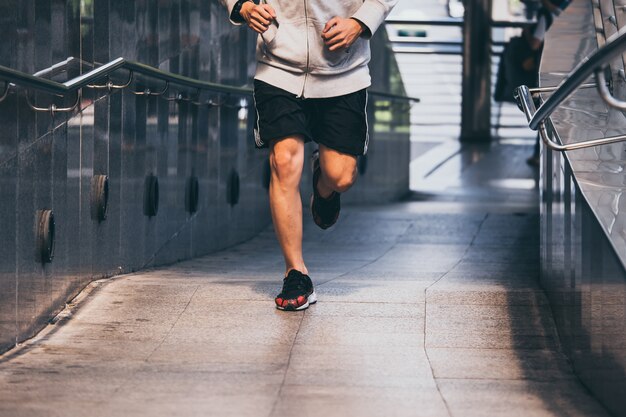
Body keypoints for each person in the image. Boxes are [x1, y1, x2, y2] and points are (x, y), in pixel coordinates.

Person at [220, 0, 397, 311]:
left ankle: (324, 184)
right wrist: (242, 6)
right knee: (284, 161)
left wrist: (358, 23)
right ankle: (295, 273)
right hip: (278, 67)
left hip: (343, 70)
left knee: (340, 175)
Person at [524, 0, 571, 166]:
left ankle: (540, 154)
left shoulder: (545, 15)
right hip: (561, 69)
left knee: (542, 114)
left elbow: (535, 44)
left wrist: (527, 33)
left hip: (544, 71)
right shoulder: (566, 15)